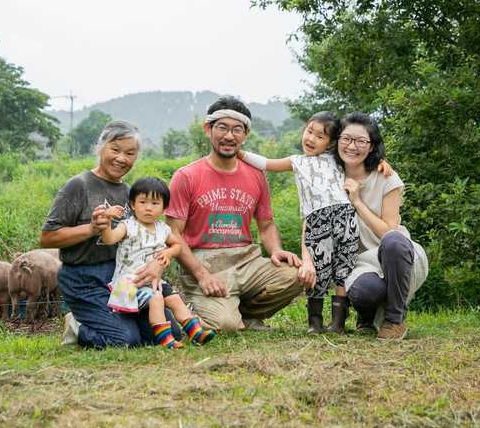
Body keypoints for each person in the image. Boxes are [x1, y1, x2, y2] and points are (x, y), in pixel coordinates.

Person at [239, 111, 391, 334]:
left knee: (344, 270)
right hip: (317, 219)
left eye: (320, 136)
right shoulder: (296, 161)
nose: (311, 139)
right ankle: (315, 323)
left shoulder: (337, 160)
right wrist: (238, 152)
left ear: (331, 143)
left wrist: (382, 162)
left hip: (344, 217)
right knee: (318, 270)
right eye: (310, 131)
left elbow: (362, 158)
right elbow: (265, 163)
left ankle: (338, 323)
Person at [165, 96, 308, 333]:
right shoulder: (187, 176)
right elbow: (173, 234)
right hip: (205, 261)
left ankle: (245, 315)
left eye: (237, 130)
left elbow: (266, 224)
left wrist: (276, 251)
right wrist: (201, 275)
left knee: (295, 275)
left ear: (245, 134)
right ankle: (188, 308)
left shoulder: (255, 174)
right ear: (208, 129)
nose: (229, 136)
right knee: (225, 326)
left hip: (246, 260)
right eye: (222, 128)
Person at [39, 121, 180, 348]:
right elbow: (48, 237)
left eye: (130, 153)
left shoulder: (129, 193)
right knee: (125, 340)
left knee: (167, 333)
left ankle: (117, 321)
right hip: (83, 278)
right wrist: (92, 229)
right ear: (100, 147)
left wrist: (159, 264)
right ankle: (78, 325)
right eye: (115, 150)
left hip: (121, 276)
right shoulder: (78, 186)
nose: (121, 158)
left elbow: (150, 237)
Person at [336, 112, 429, 340]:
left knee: (393, 240)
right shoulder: (329, 175)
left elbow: (388, 231)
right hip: (362, 262)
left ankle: (395, 320)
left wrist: (357, 201)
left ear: (371, 146)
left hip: (396, 254)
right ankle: (365, 318)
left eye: (361, 141)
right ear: (337, 140)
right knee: (365, 291)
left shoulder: (386, 177)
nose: (352, 146)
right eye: (346, 139)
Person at [100, 177, 215, 349]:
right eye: (142, 202)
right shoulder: (128, 226)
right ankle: (166, 339)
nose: (148, 208)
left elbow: (177, 245)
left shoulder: (163, 229)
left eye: (155, 203)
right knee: (157, 298)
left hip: (154, 281)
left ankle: (195, 332)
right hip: (131, 283)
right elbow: (109, 239)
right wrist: (106, 221)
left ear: (164, 208)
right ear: (132, 204)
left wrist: (168, 252)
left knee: (176, 299)